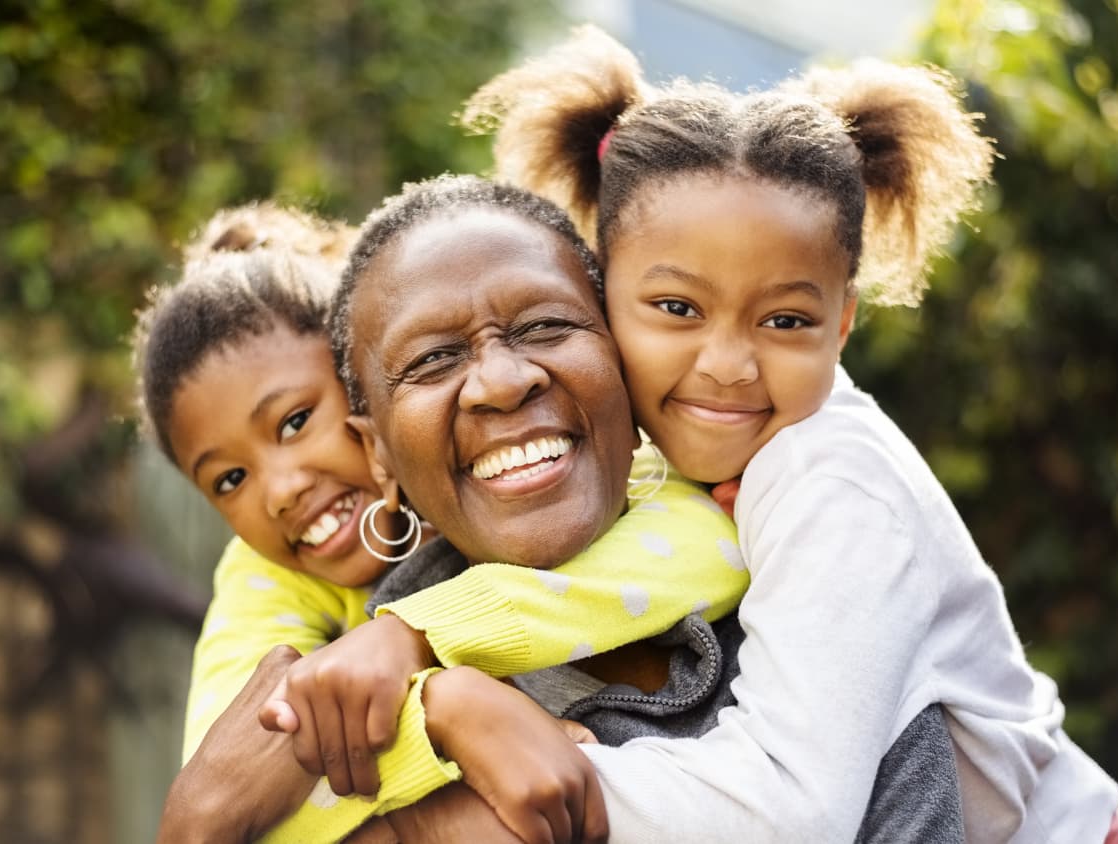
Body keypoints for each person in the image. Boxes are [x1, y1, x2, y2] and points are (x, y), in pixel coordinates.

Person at [455, 25, 1118, 844]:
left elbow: (788, 809)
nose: (729, 364)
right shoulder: (640, 458)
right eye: (677, 309)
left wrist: (506, 779)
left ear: (842, 324)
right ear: (600, 292)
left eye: (785, 320)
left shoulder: (832, 483)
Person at [164, 176, 967, 842]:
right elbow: (227, 798)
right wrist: (438, 711)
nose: (502, 381)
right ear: (378, 452)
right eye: (434, 360)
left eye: (547, 326)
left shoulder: (803, 565)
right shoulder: (349, 676)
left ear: (618, 352)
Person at [135, 202, 752, 841]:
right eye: (229, 480)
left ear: (360, 400)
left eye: (295, 422)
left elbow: (707, 541)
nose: (282, 490)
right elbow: (232, 785)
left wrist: (421, 637)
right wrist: (437, 714)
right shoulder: (264, 576)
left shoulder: (640, 464)